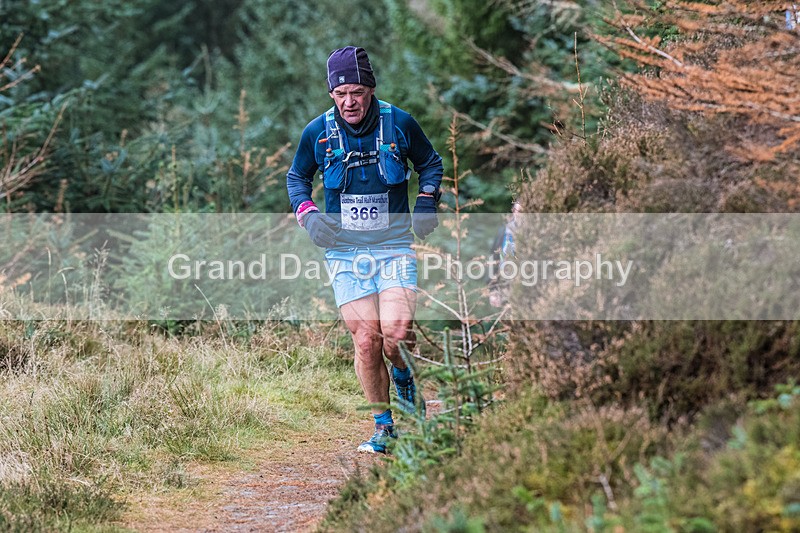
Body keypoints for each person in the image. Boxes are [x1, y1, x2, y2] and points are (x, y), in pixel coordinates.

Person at [286, 46, 443, 453]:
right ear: (331, 95)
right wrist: (309, 215)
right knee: (366, 340)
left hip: (393, 246)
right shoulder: (317, 133)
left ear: (370, 90)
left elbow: (431, 163)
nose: (349, 102)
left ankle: (405, 380)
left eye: (357, 92)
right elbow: (296, 178)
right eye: (341, 95)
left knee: (396, 334)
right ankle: (383, 426)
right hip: (344, 252)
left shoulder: (399, 123)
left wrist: (426, 199)